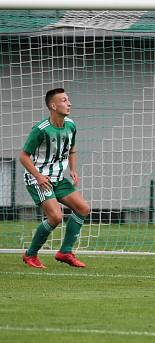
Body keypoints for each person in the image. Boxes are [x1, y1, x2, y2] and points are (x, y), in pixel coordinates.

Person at [20, 88, 90, 269]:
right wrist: (38, 176)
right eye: (64, 100)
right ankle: (30, 255)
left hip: (58, 178)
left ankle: (65, 252)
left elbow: (72, 149)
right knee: (55, 217)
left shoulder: (71, 125)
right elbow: (23, 156)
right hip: (39, 179)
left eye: (68, 100)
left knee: (83, 208)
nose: (69, 103)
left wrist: (73, 169)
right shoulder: (40, 130)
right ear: (53, 105)